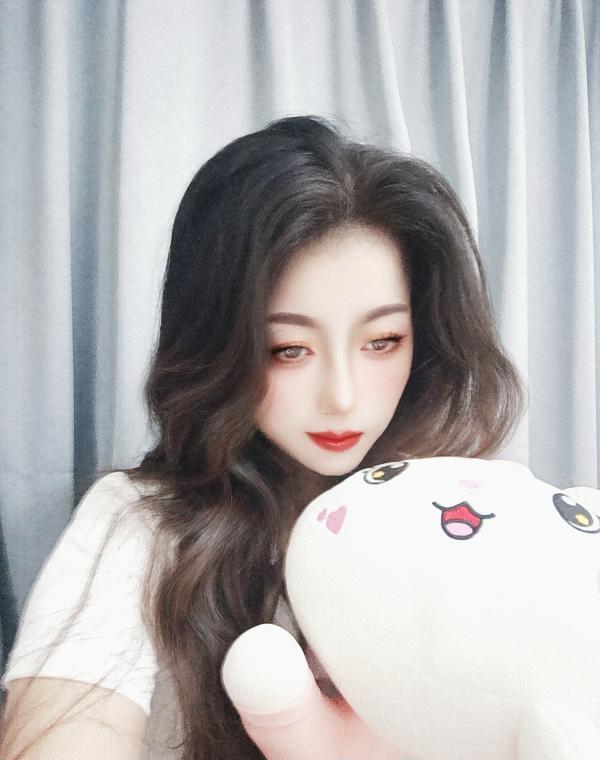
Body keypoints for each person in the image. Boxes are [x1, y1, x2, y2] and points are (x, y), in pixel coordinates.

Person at [0, 114, 524, 760]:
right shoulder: (143, 527)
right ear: (220, 348)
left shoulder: (451, 511)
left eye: (382, 341)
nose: (343, 396)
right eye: (288, 349)